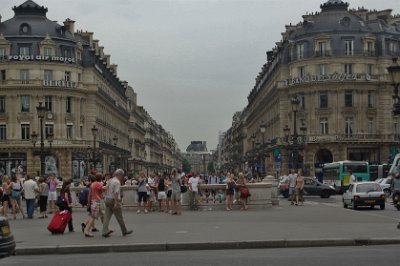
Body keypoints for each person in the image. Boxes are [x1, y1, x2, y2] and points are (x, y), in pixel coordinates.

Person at [102, 169, 133, 237]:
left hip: (107, 199)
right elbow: (116, 193)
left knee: (106, 217)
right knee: (119, 217)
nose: (122, 177)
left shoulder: (110, 180)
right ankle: (124, 231)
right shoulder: (117, 182)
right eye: (122, 175)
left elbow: (106, 188)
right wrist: (116, 203)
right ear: (120, 175)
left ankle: (104, 231)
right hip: (113, 200)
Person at [84, 173, 105, 237]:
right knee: (93, 217)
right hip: (97, 201)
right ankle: (87, 231)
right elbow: (103, 190)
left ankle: (106, 228)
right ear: (101, 178)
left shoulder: (92, 184)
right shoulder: (99, 184)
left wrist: (88, 203)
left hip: (93, 201)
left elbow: (90, 195)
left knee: (103, 215)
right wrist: (109, 184)